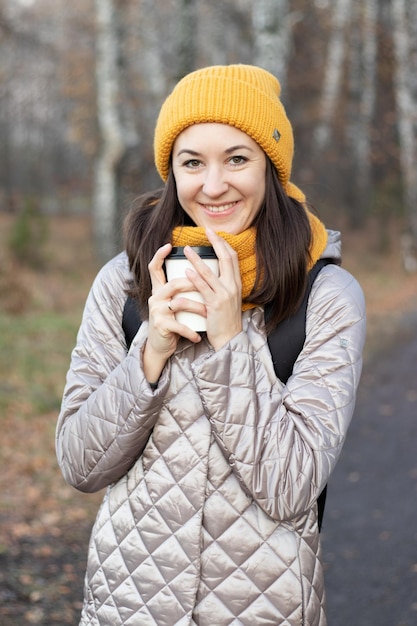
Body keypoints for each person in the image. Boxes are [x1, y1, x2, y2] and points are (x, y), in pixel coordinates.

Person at [56, 64, 366, 626]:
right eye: (192, 162)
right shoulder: (124, 284)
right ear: (172, 172)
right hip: (127, 606)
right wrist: (149, 351)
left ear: (271, 169)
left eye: (238, 158)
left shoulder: (326, 295)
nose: (213, 184)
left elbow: (290, 484)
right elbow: (80, 464)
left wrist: (229, 343)